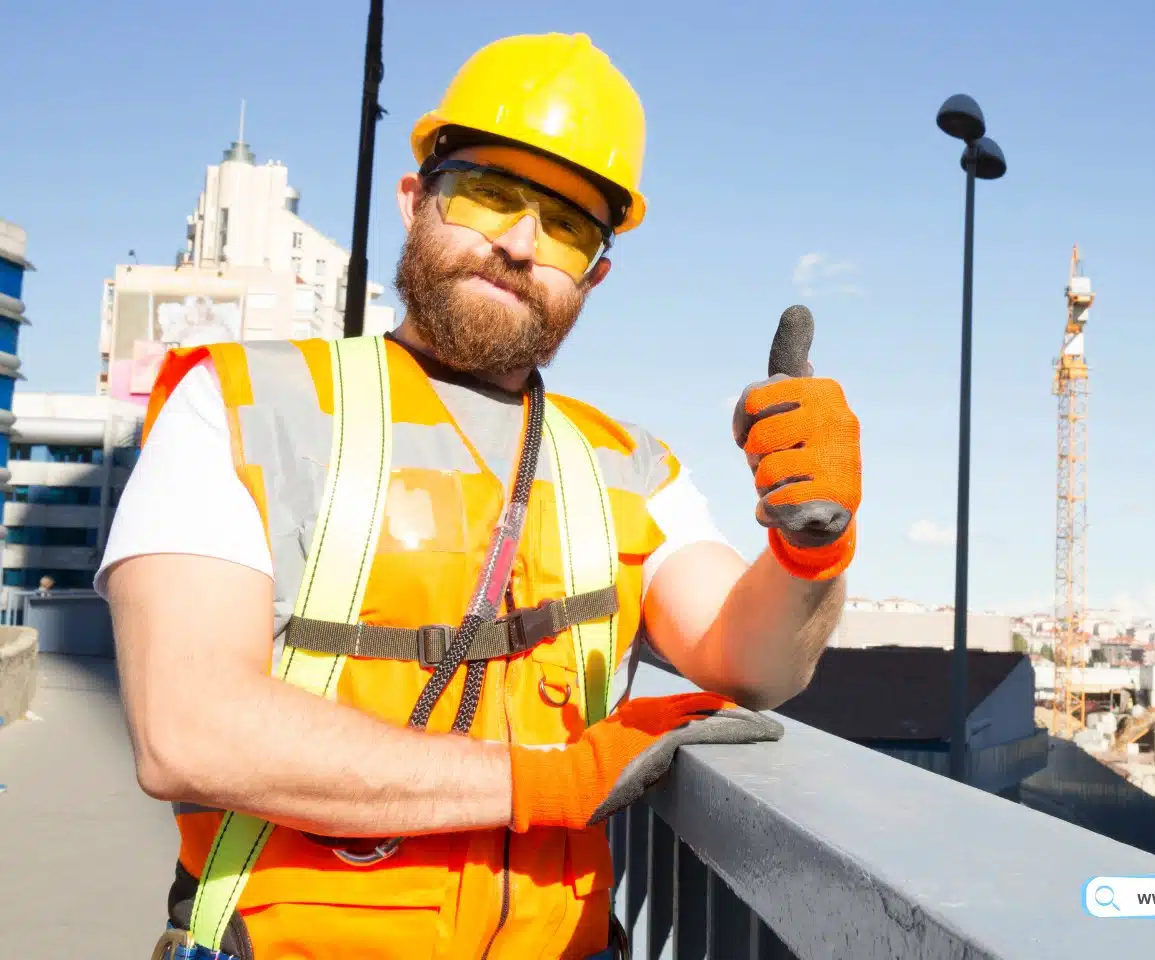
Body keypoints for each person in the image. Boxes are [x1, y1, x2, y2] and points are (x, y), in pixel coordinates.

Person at [101, 32, 862, 960]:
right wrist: (552, 781)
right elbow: (187, 730)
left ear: (595, 273)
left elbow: (754, 665)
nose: (519, 242)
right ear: (414, 199)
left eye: (567, 226)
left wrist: (811, 544)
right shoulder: (241, 404)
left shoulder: (625, 464)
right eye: (489, 193)